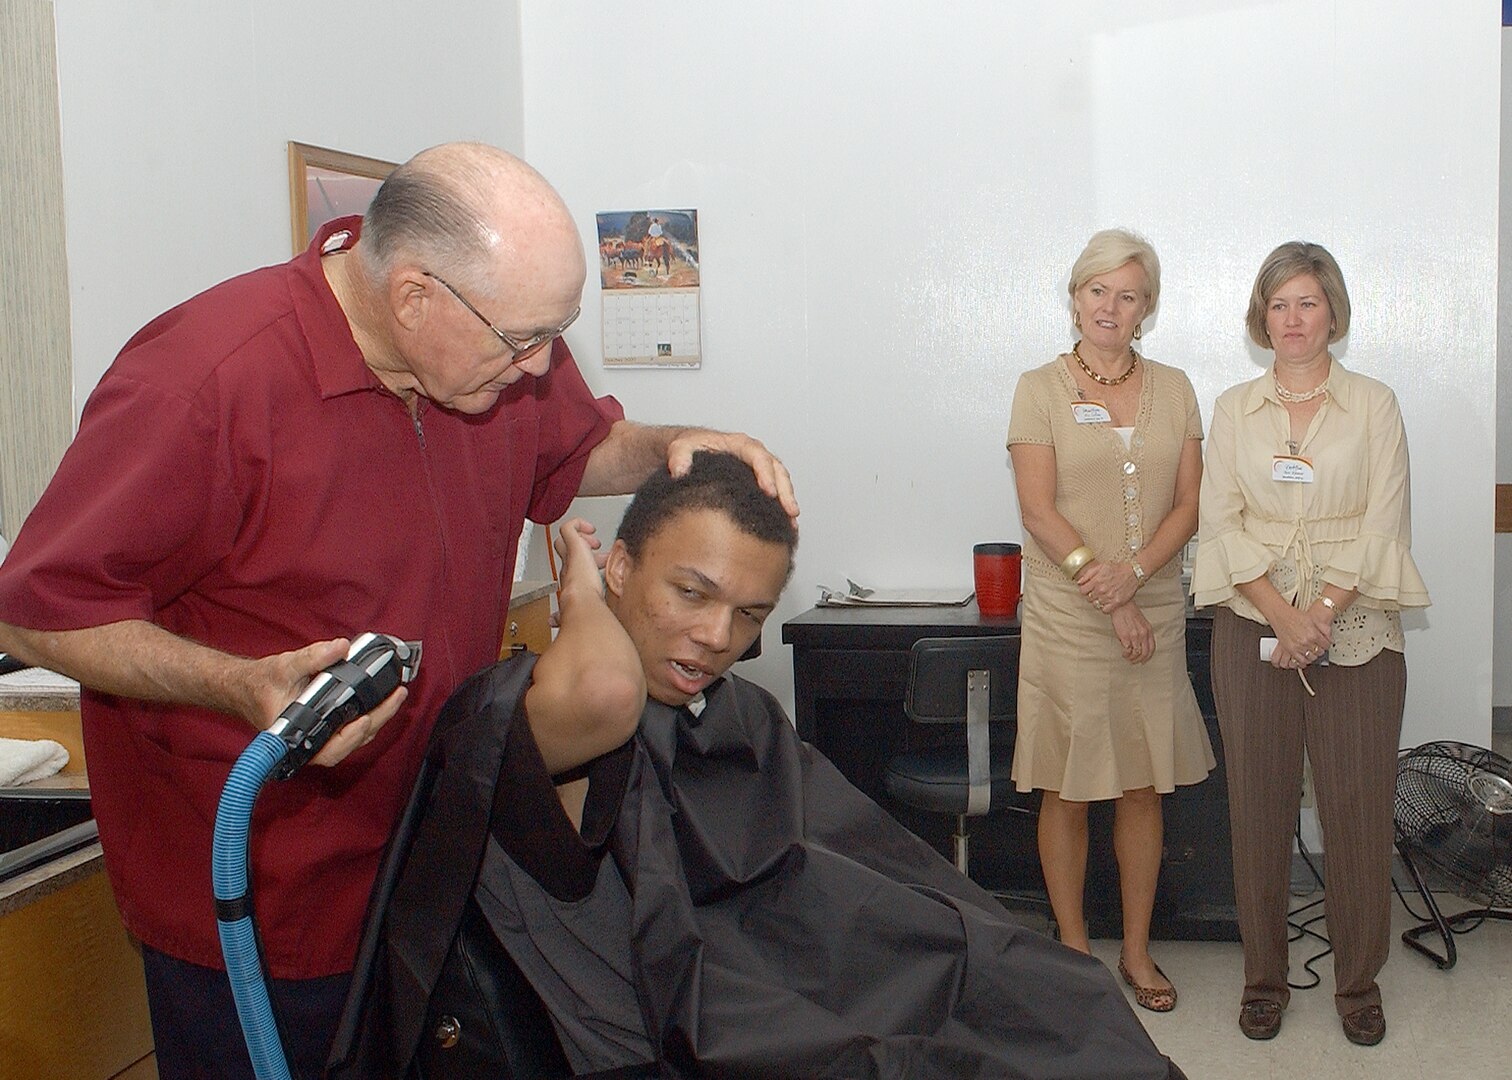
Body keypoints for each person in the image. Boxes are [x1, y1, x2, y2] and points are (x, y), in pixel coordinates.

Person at [0, 142, 795, 1079]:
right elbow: (37, 611)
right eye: (523, 341)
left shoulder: (491, 350)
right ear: (415, 296)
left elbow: (573, 453)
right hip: (264, 907)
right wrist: (238, 686)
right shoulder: (210, 380)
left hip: (426, 869)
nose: (542, 369)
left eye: (557, 333)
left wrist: (678, 442)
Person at [330, 451, 1187, 1079]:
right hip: (653, 1041)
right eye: (690, 593)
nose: (716, 639)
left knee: (1057, 995)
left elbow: (845, 869)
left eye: (748, 614)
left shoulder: (736, 714)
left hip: (781, 994)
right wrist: (577, 591)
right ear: (619, 565)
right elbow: (601, 691)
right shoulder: (520, 714)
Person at [1190, 241, 1429, 1047]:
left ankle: (1358, 982)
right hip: (1253, 624)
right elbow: (1219, 524)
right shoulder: (1232, 409)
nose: (1292, 319)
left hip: (1356, 628)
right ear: (1262, 316)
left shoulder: (1375, 404)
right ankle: (1264, 980)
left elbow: (1383, 522)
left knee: (1357, 811)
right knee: (1256, 806)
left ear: (1334, 312)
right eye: (1279, 304)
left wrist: (1319, 611)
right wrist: (1281, 614)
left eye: (1307, 302)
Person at [1006, 228, 1214, 1013]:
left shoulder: (1178, 387)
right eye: (1098, 290)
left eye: (1128, 295)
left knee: (1140, 786)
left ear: (1146, 309)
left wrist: (1137, 580)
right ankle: (1073, 951)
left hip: (1153, 606)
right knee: (1066, 785)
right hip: (1070, 613)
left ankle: (1135, 950)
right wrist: (1112, 592)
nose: (1110, 306)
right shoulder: (1038, 388)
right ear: (1075, 298)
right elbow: (1038, 508)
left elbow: (1189, 504)